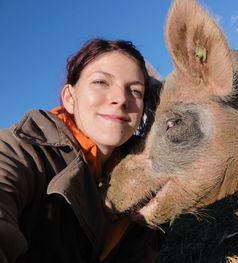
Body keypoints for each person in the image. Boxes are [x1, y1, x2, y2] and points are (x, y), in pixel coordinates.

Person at [0, 39, 163, 263]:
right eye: (101, 82)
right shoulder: (20, 150)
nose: (121, 99)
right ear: (69, 97)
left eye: (135, 90)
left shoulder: (147, 168)